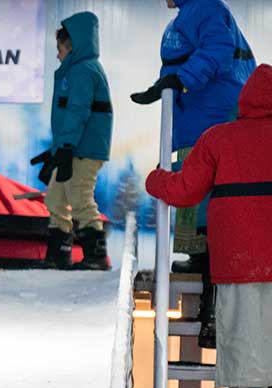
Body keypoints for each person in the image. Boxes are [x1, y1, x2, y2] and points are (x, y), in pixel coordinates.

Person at [145, 64, 272, 388]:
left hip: (237, 259)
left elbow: (184, 190)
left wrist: (155, 180)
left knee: (241, 339)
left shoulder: (218, 138)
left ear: (244, 101)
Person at [131, 0, 256, 345]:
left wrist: (181, 80)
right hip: (198, 121)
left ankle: (210, 305)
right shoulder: (191, 12)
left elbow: (218, 48)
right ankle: (198, 258)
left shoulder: (205, 7)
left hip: (211, 119)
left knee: (206, 204)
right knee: (197, 205)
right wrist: (167, 85)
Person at [30, 12, 113, 270]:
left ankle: (96, 255)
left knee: (79, 196)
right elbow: (70, 116)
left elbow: (78, 111)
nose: (58, 56)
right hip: (71, 148)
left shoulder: (84, 71)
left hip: (83, 150)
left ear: (73, 47)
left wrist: (65, 148)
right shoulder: (75, 71)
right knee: (55, 198)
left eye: (60, 49)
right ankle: (59, 253)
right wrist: (56, 150)